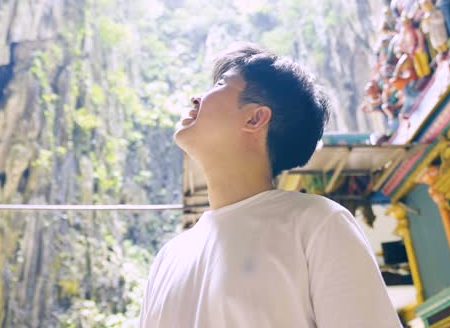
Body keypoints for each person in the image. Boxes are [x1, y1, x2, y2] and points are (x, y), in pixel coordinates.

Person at [139, 43, 403, 328]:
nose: (195, 98)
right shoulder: (169, 257)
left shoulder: (318, 224)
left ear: (255, 117)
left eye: (219, 84)